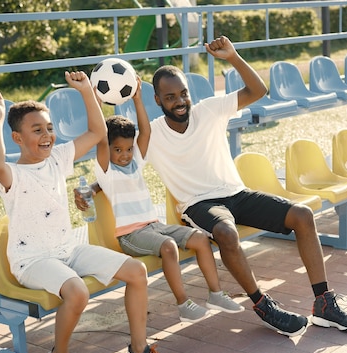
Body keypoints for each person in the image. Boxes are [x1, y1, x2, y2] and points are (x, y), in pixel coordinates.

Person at [145, 36, 347, 336]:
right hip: (200, 204)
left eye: (183, 93)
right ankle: (262, 304)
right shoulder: (151, 134)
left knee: (302, 215)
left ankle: (324, 304)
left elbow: (258, 90)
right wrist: (91, 190)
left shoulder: (208, 110)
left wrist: (233, 57)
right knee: (226, 232)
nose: (180, 101)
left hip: (237, 194)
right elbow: (117, 158)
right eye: (170, 97)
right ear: (157, 100)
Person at [0, 70, 180, 353]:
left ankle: (138, 351)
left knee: (137, 271)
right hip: (32, 260)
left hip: (67, 249)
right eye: (37, 131)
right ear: (17, 138)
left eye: (49, 128)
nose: (47, 136)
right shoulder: (11, 175)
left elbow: (97, 131)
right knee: (76, 292)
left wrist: (88, 91)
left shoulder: (58, 159)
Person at [91, 77, 245, 323]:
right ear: (108, 150)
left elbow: (147, 131)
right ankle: (183, 304)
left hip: (154, 226)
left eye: (128, 149)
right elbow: (99, 135)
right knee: (169, 247)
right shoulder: (106, 172)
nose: (125, 155)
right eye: (117, 150)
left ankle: (215, 294)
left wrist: (138, 98)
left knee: (201, 239)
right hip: (131, 235)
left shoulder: (136, 162)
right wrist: (95, 102)